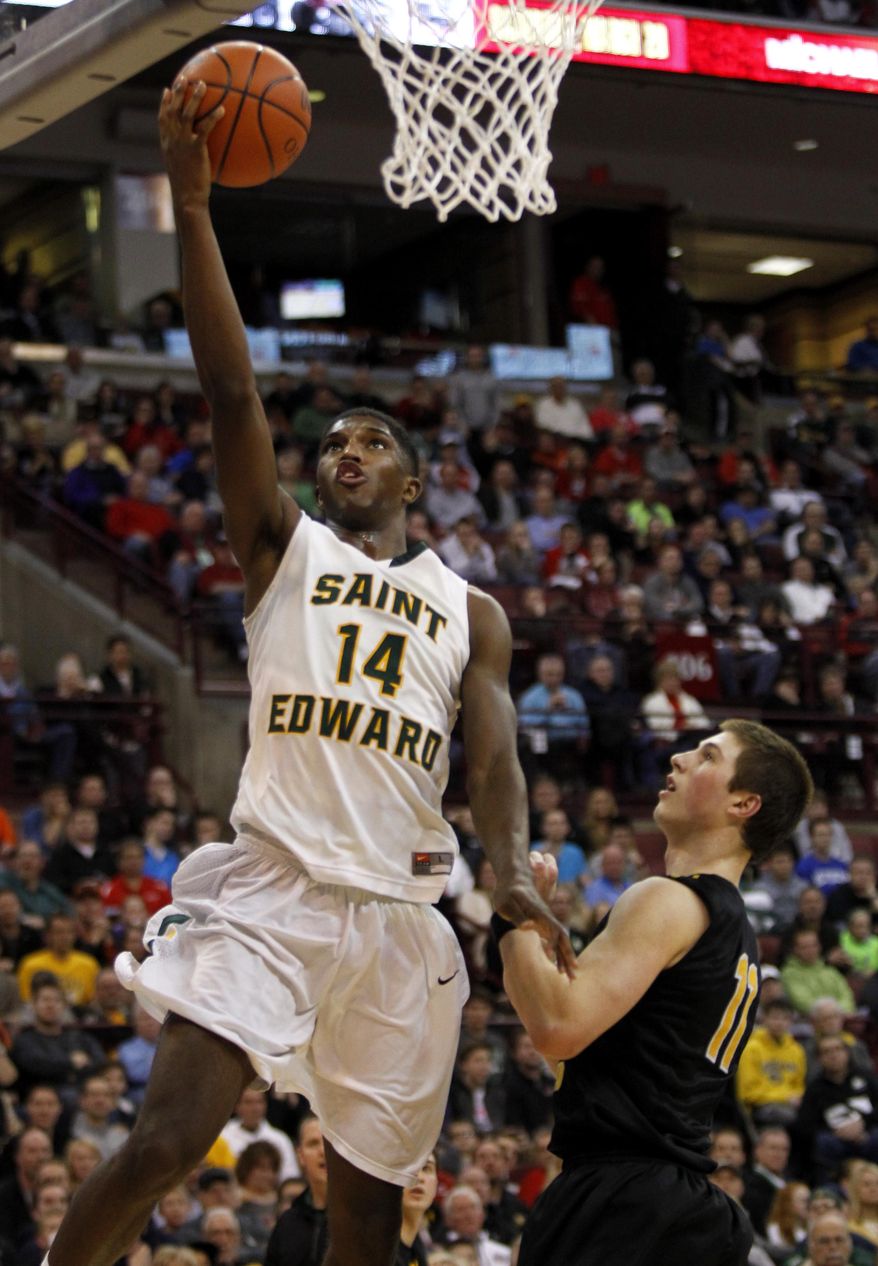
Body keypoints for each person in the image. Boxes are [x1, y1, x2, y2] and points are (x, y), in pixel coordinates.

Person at [44, 79, 570, 1266]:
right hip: (275, 888)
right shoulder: (284, 550)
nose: (344, 449)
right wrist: (192, 200)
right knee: (165, 1142)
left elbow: (489, 756)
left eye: (371, 440)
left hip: (396, 916)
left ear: (414, 480)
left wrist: (508, 871)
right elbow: (231, 392)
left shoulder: (469, 611)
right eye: (332, 438)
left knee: (369, 1219)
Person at [495, 719, 814, 1266]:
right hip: (674, 1204)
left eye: (709, 756)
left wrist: (514, 916)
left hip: (623, 1207)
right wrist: (536, 939)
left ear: (744, 804)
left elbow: (558, 1028)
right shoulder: (739, 936)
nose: (680, 759)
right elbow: (570, 1057)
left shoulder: (668, 901)